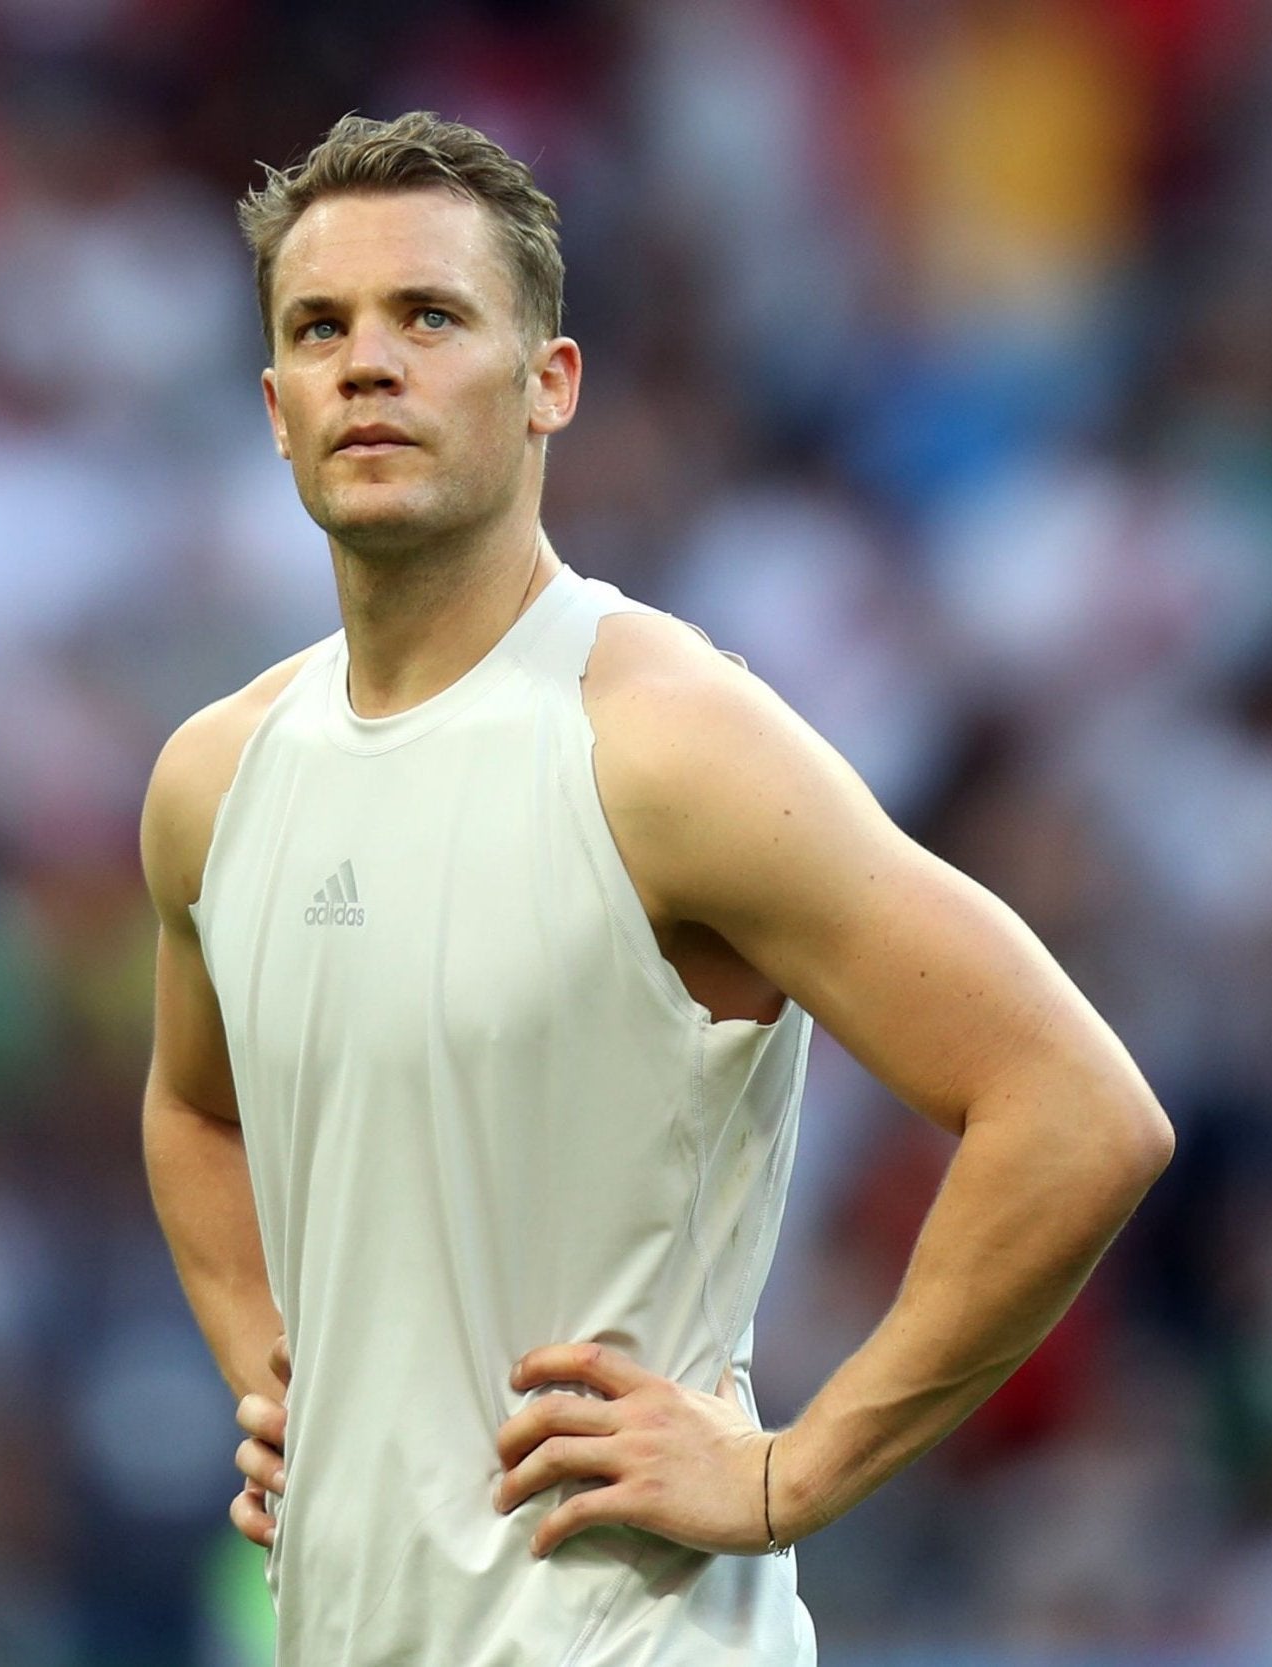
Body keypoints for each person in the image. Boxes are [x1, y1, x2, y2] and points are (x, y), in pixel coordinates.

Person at [137, 112, 1173, 1665]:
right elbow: (193, 1110)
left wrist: (787, 1474)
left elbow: (1078, 1110)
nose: (367, 363)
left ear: (547, 383)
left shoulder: (666, 744)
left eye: (428, 316)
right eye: (318, 328)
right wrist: (275, 1374)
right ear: (274, 409)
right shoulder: (213, 785)